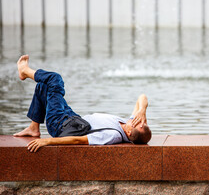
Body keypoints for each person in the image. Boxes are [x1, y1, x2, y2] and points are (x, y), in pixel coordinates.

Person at [14, 55, 152, 153]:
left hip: (60, 125)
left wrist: (47, 141)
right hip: (72, 117)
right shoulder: (127, 124)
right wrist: (142, 111)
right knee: (44, 86)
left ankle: (25, 71)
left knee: (54, 80)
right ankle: (33, 128)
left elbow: (79, 140)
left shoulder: (112, 135)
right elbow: (142, 97)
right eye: (142, 121)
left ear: (129, 132)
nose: (138, 120)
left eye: (138, 123)